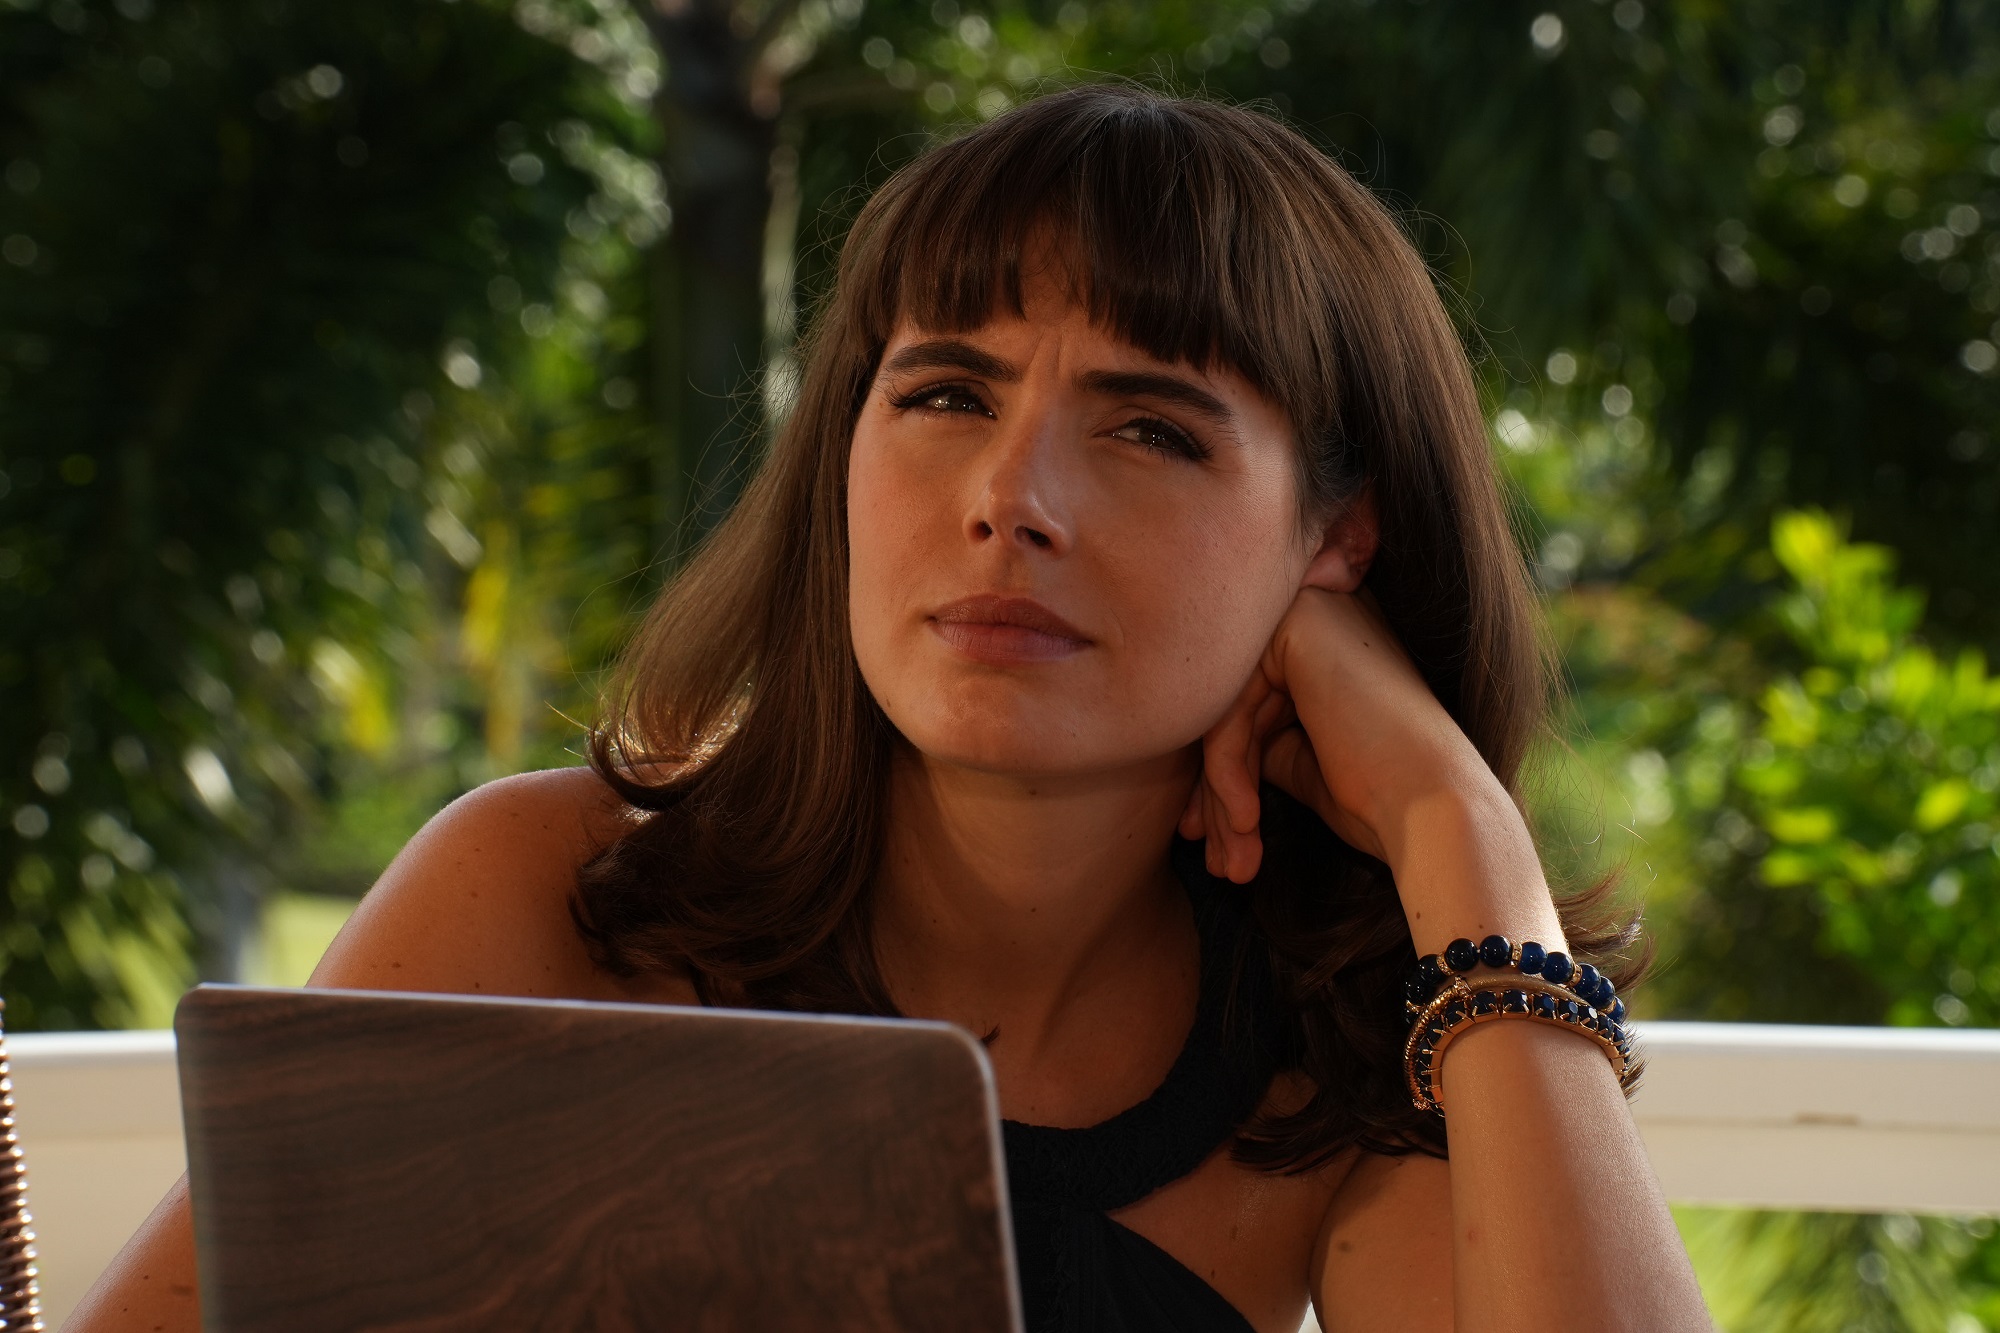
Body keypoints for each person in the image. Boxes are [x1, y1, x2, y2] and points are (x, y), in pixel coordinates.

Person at [72, 85, 1711, 1332]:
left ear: (1338, 538)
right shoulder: (561, 901)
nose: (1011, 498)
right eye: (944, 392)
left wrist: (1454, 823)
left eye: (1150, 427)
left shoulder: (1339, 1041)